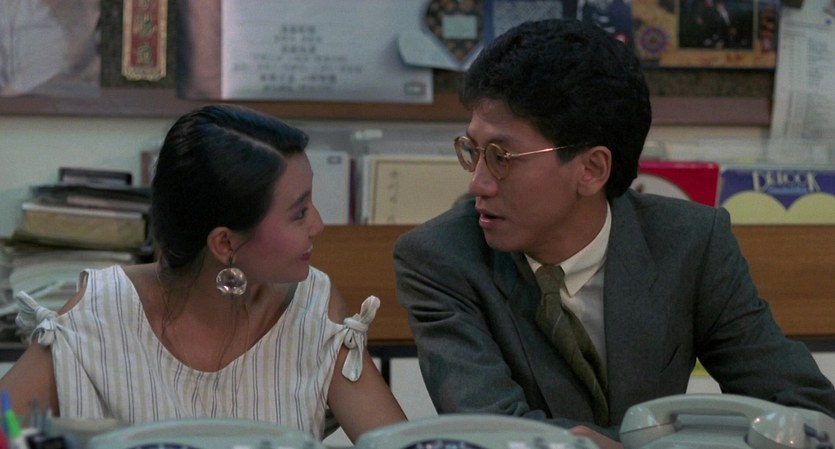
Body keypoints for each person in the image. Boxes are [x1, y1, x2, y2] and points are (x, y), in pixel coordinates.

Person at [392, 18, 835, 448]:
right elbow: (494, 434)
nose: (478, 183)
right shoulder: (440, 258)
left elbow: (807, 412)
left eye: (501, 157)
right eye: (473, 150)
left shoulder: (691, 242)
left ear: (591, 169)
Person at [0, 104, 406, 442]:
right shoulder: (100, 312)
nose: (318, 225)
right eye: (299, 212)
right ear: (224, 243)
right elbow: (7, 428)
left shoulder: (314, 309)